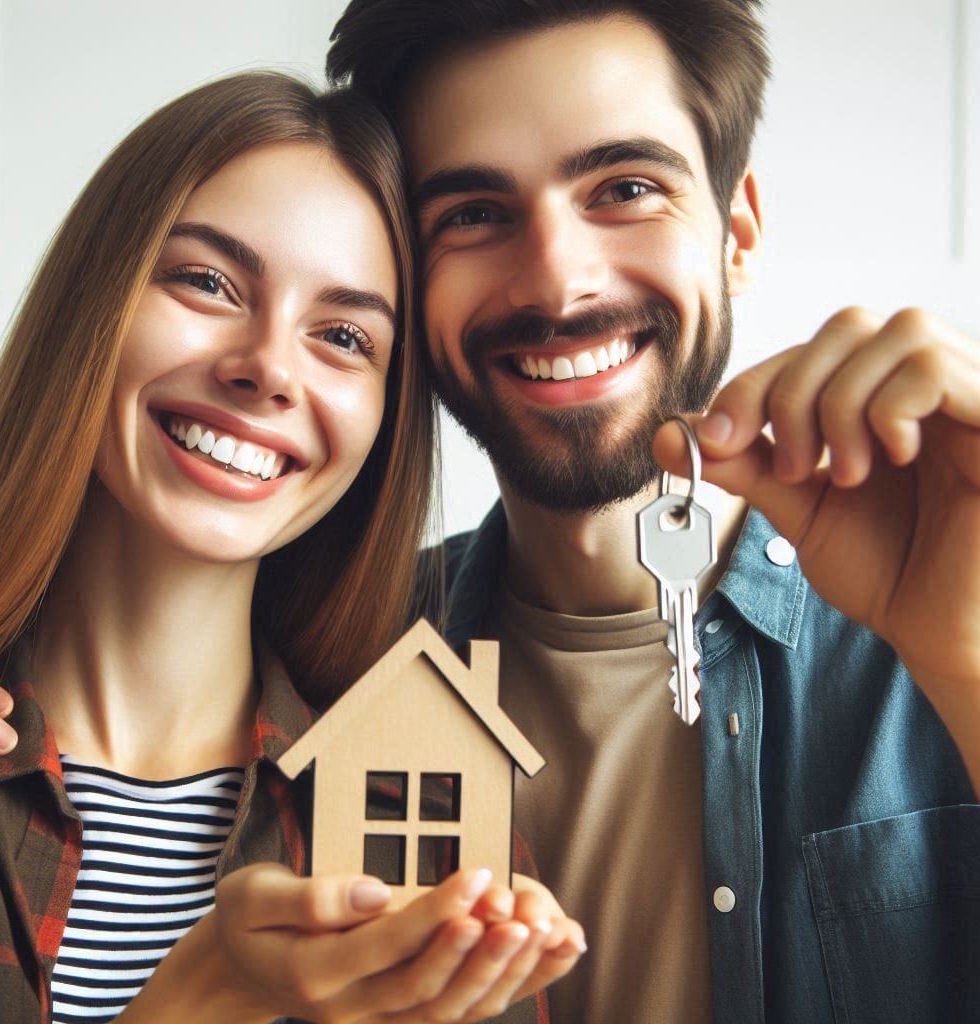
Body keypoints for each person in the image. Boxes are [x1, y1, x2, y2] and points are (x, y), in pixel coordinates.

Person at [316, 2, 977, 1021]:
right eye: (474, 214)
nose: (557, 283)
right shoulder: (330, 655)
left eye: (624, 188)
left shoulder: (943, 618)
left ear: (736, 233)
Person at [0, 71, 584, 1024]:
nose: (269, 368)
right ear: (94, 301)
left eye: (343, 336)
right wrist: (211, 989)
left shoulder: (419, 832)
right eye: (207, 282)